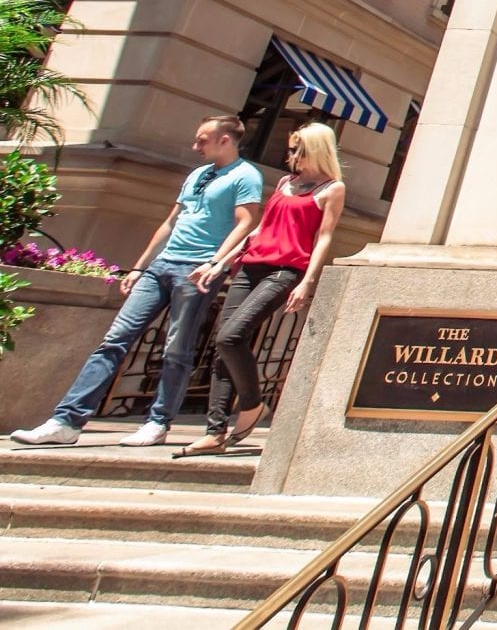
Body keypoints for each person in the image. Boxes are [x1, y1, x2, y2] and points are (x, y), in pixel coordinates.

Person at [9, 115, 264, 447]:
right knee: (114, 340)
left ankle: (158, 422)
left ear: (225, 140)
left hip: (196, 270)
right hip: (161, 266)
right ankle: (67, 421)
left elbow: (246, 223)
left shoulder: (246, 176)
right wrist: (140, 266)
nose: (195, 146)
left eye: (202, 140)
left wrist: (216, 263)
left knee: (176, 348)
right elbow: (171, 221)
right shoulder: (198, 174)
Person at [178, 123, 346, 456]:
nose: (290, 155)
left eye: (296, 148)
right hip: (250, 266)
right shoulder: (285, 183)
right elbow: (258, 231)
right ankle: (215, 433)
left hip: (286, 271)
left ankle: (252, 405)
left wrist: (308, 282)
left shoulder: (332, 189)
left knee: (231, 337)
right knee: (222, 345)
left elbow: (323, 238)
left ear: (314, 149)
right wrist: (218, 263)